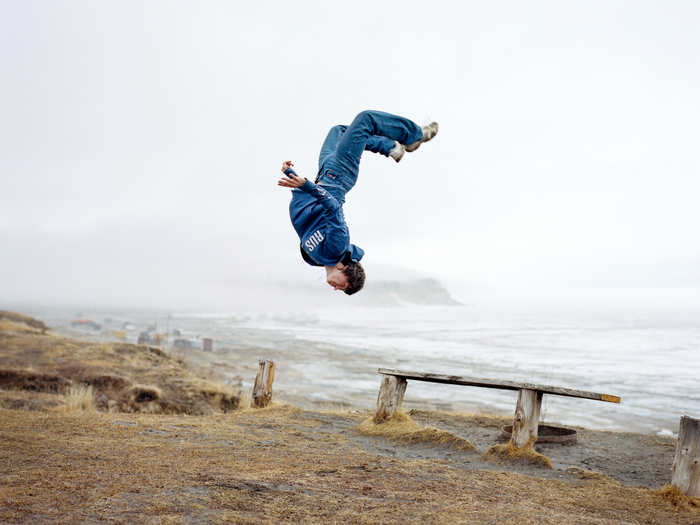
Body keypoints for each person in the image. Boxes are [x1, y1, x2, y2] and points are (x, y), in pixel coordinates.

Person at [277, 110, 438, 295]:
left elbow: (309, 214)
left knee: (338, 131)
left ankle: (391, 147)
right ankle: (415, 136)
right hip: (340, 173)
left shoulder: (313, 259)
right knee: (365, 120)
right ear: (346, 271)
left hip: (324, 174)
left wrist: (292, 176)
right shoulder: (337, 246)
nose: (336, 288)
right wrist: (307, 185)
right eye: (344, 286)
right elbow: (333, 207)